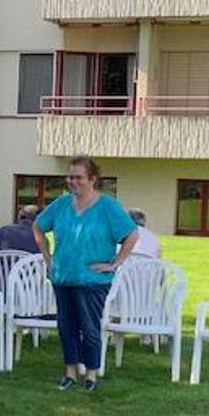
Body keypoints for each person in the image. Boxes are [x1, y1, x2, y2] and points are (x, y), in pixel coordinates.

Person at [33, 156, 138, 392]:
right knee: (66, 326)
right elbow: (38, 226)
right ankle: (69, 372)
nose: (73, 182)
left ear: (92, 179)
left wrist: (115, 263)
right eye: (70, 177)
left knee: (90, 327)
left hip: (92, 280)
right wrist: (48, 259)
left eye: (79, 177)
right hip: (63, 277)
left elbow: (131, 234)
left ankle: (91, 374)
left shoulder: (107, 206)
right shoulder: (61, 204)